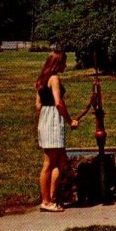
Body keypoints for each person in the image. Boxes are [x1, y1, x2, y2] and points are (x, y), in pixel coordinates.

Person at [35, 51, 79, 212]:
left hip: (46, 120)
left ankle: (52, 197)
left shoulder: (41, 79)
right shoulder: (54, 79)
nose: (65, 66)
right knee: (49, 162)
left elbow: (38, 105)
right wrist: (70, 121)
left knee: (61, 160)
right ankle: (46, 201)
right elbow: (59, 102)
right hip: (53, 120)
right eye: (64, 63)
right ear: (57, 64)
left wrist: (40, 124)